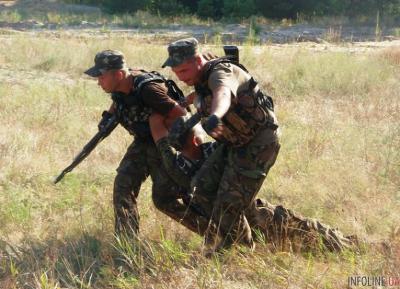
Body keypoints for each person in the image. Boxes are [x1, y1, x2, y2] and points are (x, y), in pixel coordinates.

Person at [150, 113, 357, 253]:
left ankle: (349, 245)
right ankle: (348, 245)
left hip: (233, 220)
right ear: (196, 140)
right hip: (249, 214)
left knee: (297, 239)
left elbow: (163, 148)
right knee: (301, 231)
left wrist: (158, 123)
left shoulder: (176, 167)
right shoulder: (214, 151)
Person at [162, 37, 281, 252]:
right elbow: (200, 95)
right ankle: (243, 237)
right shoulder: (200, 78)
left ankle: (240, 253)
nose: (180, 77)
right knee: (202, 188)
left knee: (229, 204)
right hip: (234, 144)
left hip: (258, 146)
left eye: (184, 71)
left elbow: (223, 93)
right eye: (177, 73)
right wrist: (184, 103)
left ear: (198, 60)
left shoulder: (221, 73)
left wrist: (216, 115)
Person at [84, 49, 199, 236]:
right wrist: (110, 115)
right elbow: (118, 99)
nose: (98, 82)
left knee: (166, 198)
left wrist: (160, 128)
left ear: (119, 74)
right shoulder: (121, 85)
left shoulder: (149, 90)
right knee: (123, 185)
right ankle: (126, 242)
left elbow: (181, 114)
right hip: (144, 141)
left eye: (101, 77)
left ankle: (214, 231)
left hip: (165, 142)